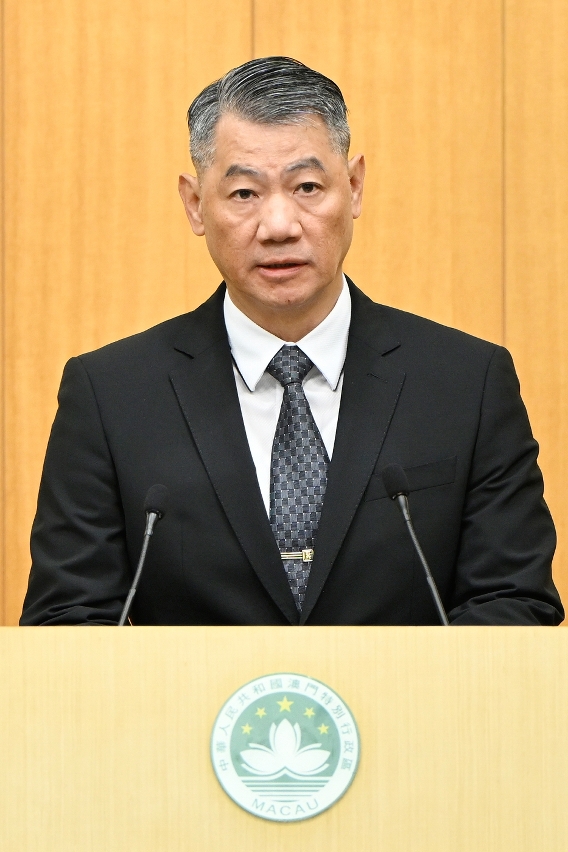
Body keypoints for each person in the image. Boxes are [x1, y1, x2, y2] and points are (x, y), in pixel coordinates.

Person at [20, 57, 563, 626]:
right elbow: (69, 619)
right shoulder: (111, 396)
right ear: (195, 204)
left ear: (353, 187)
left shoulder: (467, 383)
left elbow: (515, 603)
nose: (279, 225)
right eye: (244, 193)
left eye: (307, 187)